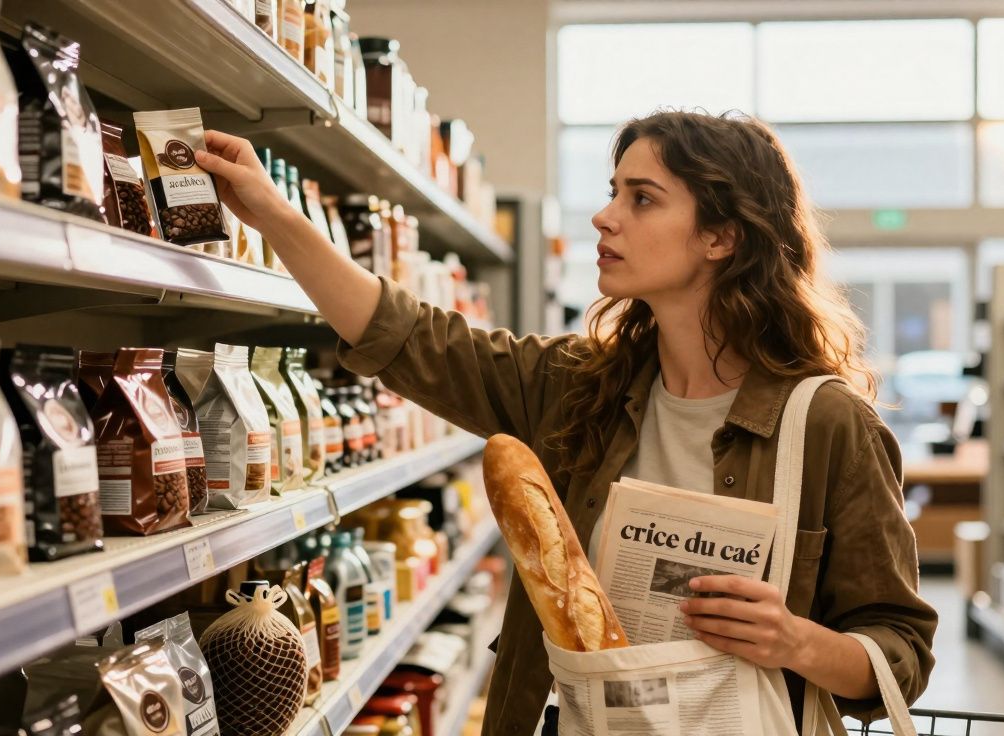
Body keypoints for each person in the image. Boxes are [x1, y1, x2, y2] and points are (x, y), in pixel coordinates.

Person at [196, 110, 937, 734]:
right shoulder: (576, 386)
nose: (604, 216)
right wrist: (274, 214)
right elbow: (410, 337)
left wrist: (795, 641)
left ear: (721, 237)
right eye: (614, 192)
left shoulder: (826, 424)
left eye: (643, 199)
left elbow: (900, 651)